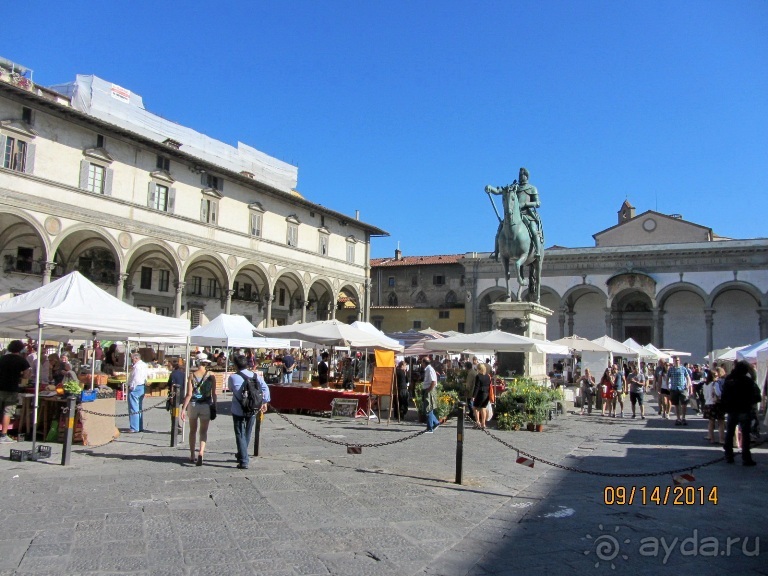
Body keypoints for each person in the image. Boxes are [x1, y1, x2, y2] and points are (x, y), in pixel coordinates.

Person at [485, 166, 544, 262]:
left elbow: (537, 203)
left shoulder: (532, 188)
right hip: (513, 215)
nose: (520, 177)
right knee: (499, 231)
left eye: (522, 175)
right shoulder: (513, 188)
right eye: (519, 175)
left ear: (527, 176)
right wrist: (490, 188)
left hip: (527, 214)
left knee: (533, 230)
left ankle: (537, 251)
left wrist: (525, 204)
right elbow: (499, 191)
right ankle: (496, 252)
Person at [228, 354, 270, 470]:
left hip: (238, 408)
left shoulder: (232, 377)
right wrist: (264, 401)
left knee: (239, 433)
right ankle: (242, 453)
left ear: (236, 365)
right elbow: (265, 388)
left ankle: (244, 460)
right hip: (252, 408)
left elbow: (231, 389)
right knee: (247, 432)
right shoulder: (255, 376)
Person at [721, 360, 760, 466]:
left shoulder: (729, 379)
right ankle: (746, 457)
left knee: (730, 432)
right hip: (744, 409)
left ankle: (728, 455)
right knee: (745, 434)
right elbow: (756, 396)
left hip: (732, 410)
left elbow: (724, 395)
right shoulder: (747, 380)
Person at [181, 353, 217, 466]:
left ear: (197, 362)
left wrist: (183, 409)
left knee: (192, 430)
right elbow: (214, 394)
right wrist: (214, 405)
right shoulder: (212, 375)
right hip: (206, 404)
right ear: (206, 362)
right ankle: (201, 452)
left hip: (193, 405)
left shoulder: (192, 375)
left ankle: (192, 454)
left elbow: (189, 394)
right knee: (203, 431)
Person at [0, 340, 31, 443]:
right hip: (12, 388)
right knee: (7, 412)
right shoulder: (21, 360)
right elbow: (27, 375)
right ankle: (3, 434)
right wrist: (20, 374)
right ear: (20, 349)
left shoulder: (2, 358)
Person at [126, 352, 148, 433]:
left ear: (136, 358)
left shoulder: (137, 367)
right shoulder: (144, 365)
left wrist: (131, 386)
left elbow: (136, 378)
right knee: (139, 407)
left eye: (133, 359)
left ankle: (134, 427)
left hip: (136, 386)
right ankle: (139, 426)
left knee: (133, 407)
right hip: (142, 386)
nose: (132, 361)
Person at [666, 356, 692, 425]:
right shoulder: (671, 369)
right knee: (676, 404)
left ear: (679, 361)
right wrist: (667, 386)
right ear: (673, 361)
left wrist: (688, 385)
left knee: (684, 404)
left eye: (677, 360)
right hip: (674, 388)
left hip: (682, 388)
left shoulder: (683, 368)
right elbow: (667, 378)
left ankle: (683, 418)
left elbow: (688, 377)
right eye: (675, 360)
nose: (676, 361)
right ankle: (678, 418)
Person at [421, 357, 440, 433]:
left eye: (422, 362)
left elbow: (433, 381)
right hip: (428, 389)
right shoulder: (428, 369)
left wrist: (429, 390)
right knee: (429, 408)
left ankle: (430, 428)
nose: (421, 364)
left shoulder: (429, 369)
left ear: (424, 362)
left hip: (430, 390)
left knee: (428, 408)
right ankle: (435, 422)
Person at [472, 363, 492, 429]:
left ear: (479, 369)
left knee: (475, 408)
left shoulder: (478, 376)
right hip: (487, 394)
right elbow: (489, 385)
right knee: (483, 408)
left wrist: (474, 396)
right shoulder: (488, 376)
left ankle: (478, 422)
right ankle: (483, 423)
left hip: (480, 394)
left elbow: (477, 387)